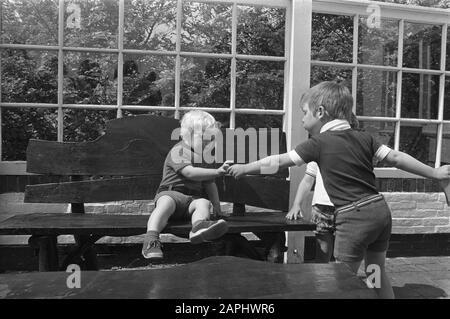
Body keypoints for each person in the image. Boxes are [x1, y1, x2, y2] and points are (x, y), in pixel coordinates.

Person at [228, 81, 450, 298]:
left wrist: (245, 167)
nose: (302, 118)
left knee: (340, 280)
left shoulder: (319, 142)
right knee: (376, 270)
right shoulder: (365, 137)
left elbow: (279, 161)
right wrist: (435, 173)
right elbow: (396, 157)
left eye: (305, 112)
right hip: (380, 212)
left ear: (321, 112)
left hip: (354, 218)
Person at [142, 110, 231, 260]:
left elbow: (209, 183)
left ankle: (198, 227)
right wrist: (217, 172)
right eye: (203, 138)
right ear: (187, 135)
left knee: (203, 203)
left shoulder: (207, 157)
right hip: (171, 193)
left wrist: (217, 207)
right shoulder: (179, 151)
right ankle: (151, 239)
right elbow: (190, 172)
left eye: (211, 139)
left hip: (191, 200)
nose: (208, 143)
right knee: (165, 203)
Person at [286, 113, 359, 263]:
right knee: (322, 255)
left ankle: (342, 282)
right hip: (322, 207)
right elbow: (308, 180)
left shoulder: (357, 152)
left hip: (347, 208)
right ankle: (322, 284)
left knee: (343, 256)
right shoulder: (320, 149)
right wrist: (296, 204)